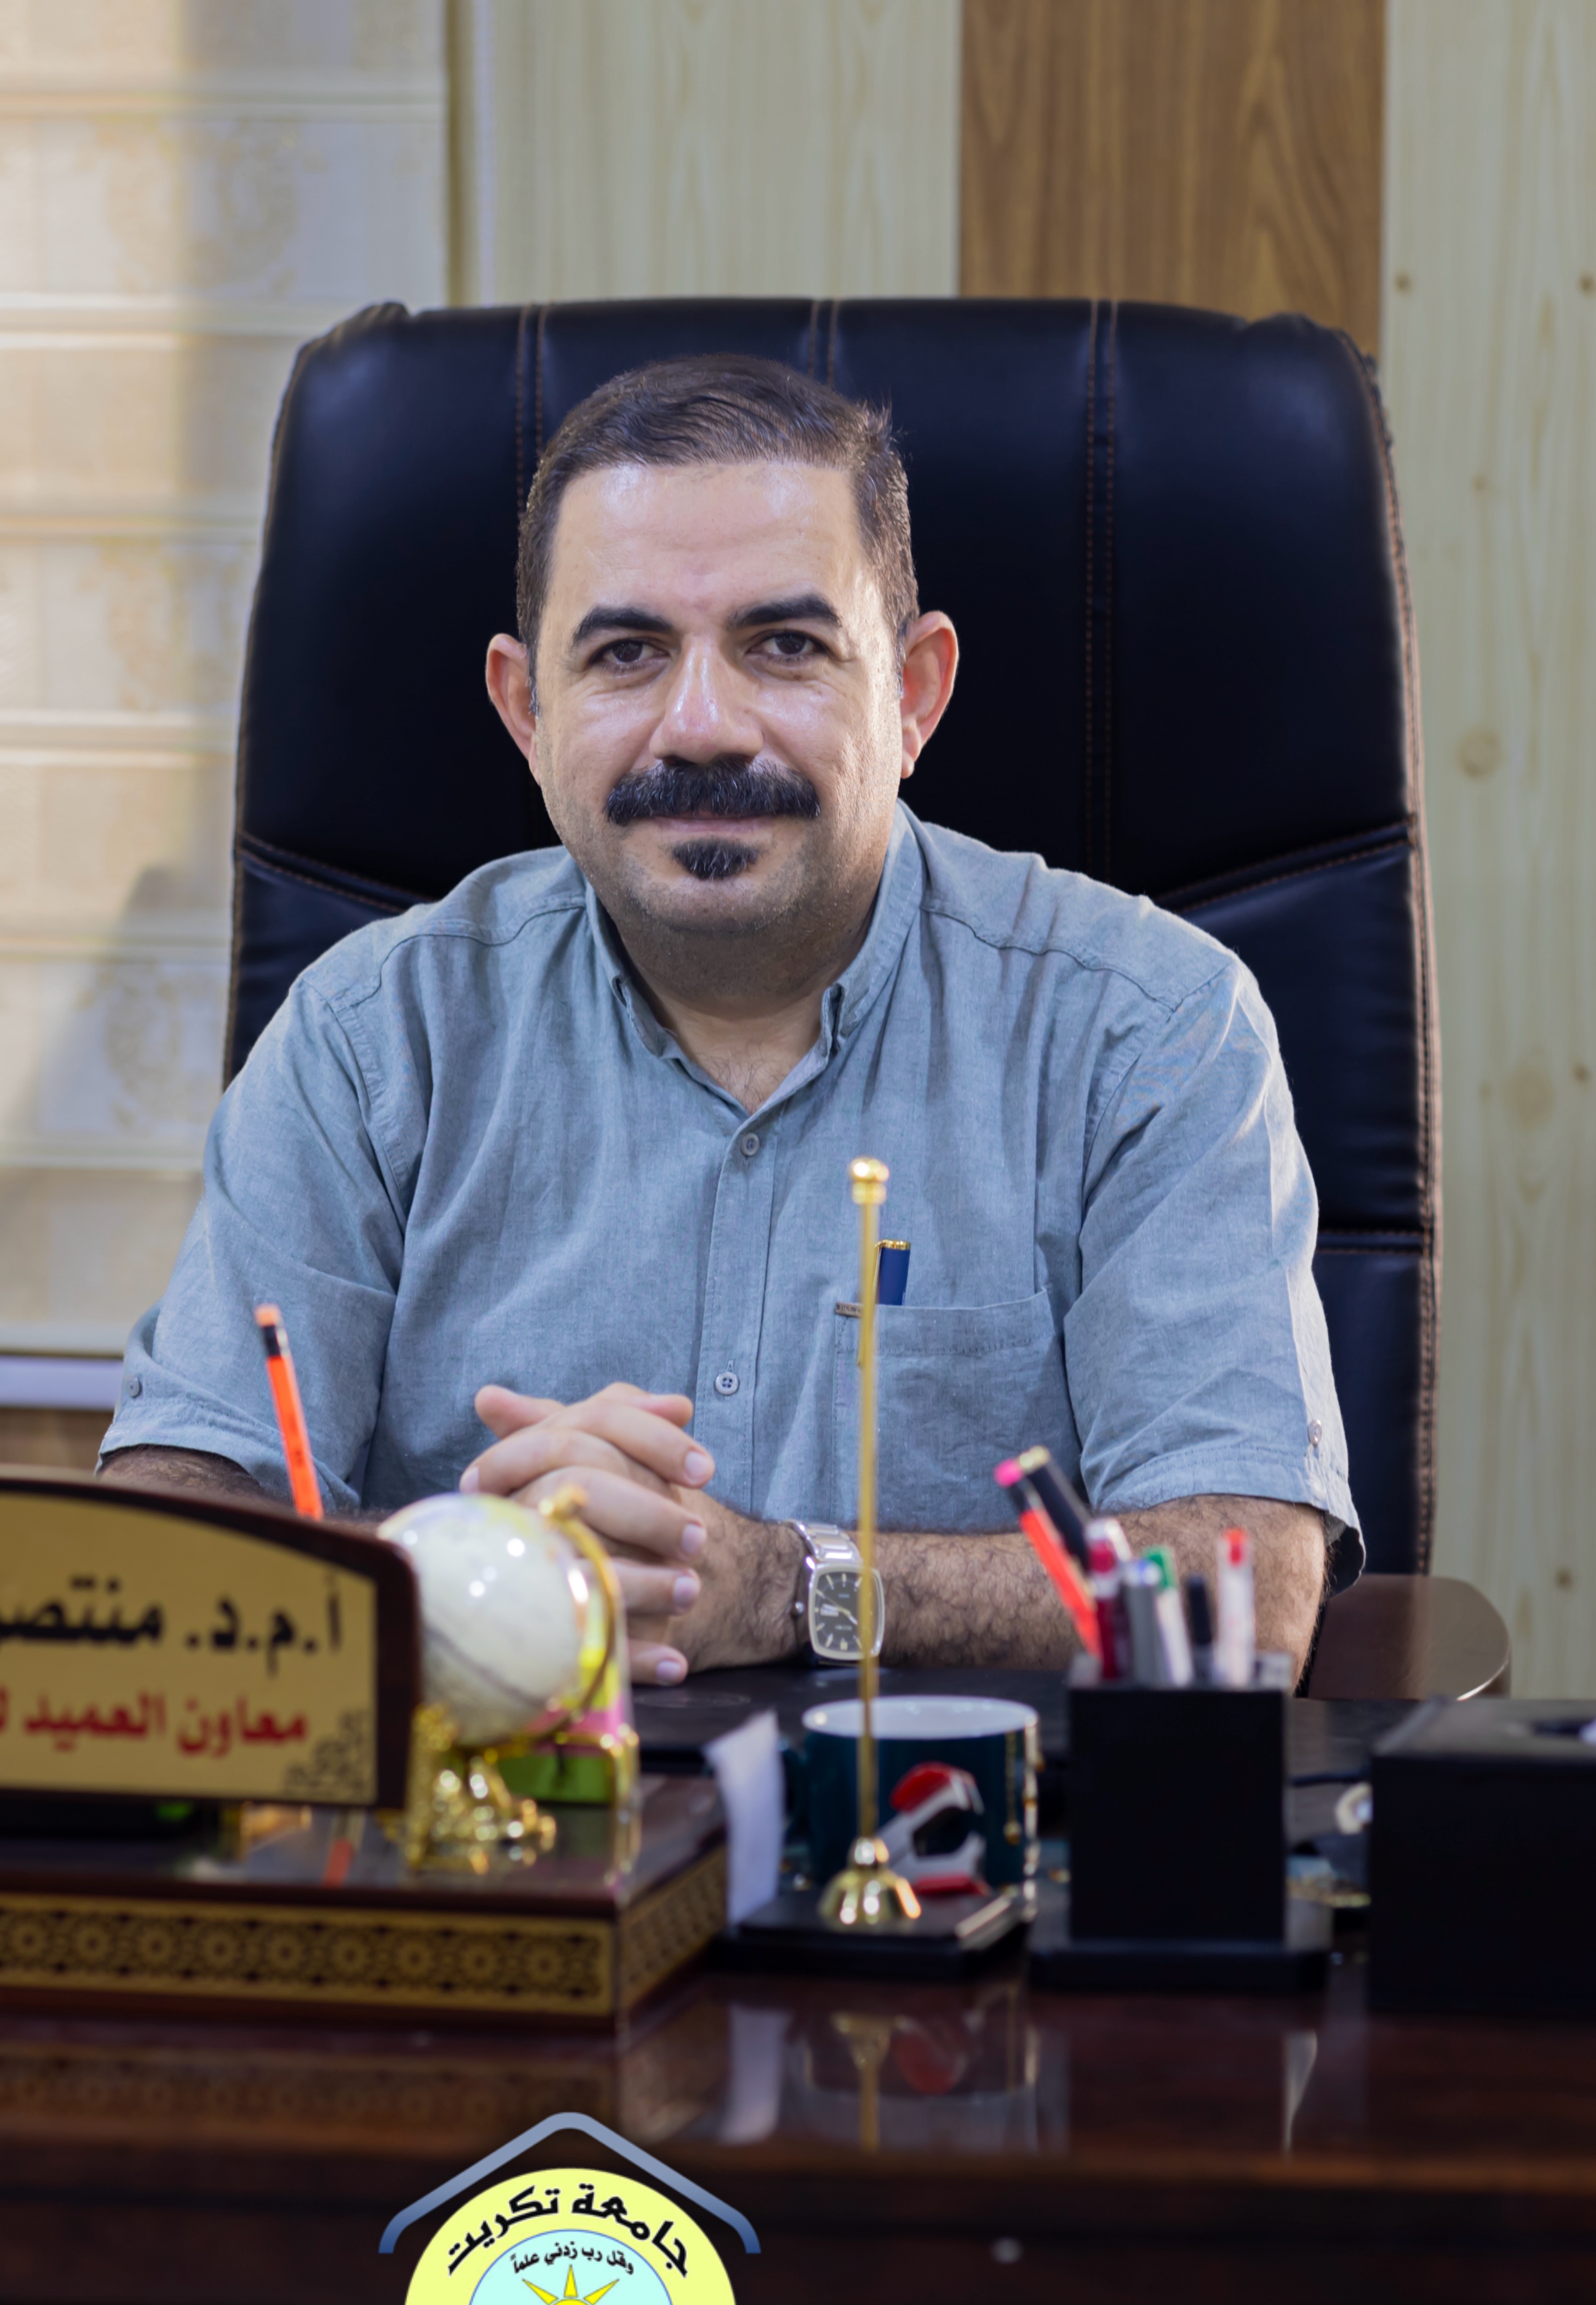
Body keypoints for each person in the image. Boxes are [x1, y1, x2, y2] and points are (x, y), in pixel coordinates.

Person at [99, 352, 1352, 1680]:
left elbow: (1246, 1592)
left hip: (962, 1810)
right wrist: (485, 1571)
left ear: (914, 694)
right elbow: (160, 1537)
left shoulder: (1149, 1028)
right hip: (488, 1803)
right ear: (527, 712)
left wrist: (791, 1586)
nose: (701, 726)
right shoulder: (368, 1041)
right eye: (627, 653)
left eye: (785, 646)